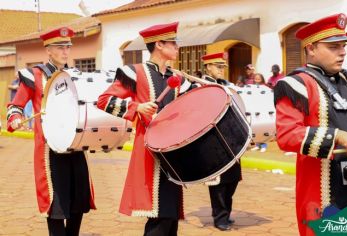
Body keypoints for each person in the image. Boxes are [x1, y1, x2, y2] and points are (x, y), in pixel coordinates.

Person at [97, 22, 197, 236]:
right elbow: (104, 101)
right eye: (173, 43)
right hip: (150, 153)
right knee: (159, 215)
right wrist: (136, 107)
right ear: (159, 44)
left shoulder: (177, 78)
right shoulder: (134, 72)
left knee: (170, 215)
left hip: (173, 153)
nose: (177, 47)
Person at [7, 27, 95, 236]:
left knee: (78, 202)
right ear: (48, 50)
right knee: (55, 205)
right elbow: (15, 106)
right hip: (50, 151)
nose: (65, 51)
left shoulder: (75, 75)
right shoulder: (34, 75)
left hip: (75, 146)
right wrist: (16, 118)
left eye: (68, 47)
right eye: (60, 47)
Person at [274, 13, 347, 236]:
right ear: (310, 48)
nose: (343, 52)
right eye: (333, 47)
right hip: (324, 193)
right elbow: (287, 135)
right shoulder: (295, 84)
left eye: (344, 46)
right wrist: (338, 136)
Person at [201, 52, 241, 231]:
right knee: (218, 181)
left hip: (231, 138)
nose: (221, 70)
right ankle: (220, 217)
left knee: (232, 179)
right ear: (208, 67)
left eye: (223, 67)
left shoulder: (227, 86)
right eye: (218, 67)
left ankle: (226, 212)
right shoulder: (199, 86)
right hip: (213, 140)